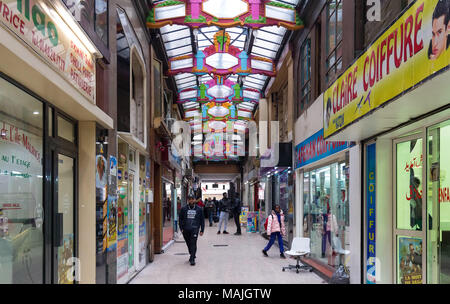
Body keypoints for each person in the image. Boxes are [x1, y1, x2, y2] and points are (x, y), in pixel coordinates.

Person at [179, 195, 205, 266]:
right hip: (186, 229)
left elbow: (202, 220)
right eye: (189, 199)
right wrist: (181, 228)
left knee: (193, 242)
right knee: (188, 243)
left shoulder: (199, 209)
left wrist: (202, 229)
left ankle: (192, 258)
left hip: (195, 228)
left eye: (192, 199)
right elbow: (180, 219)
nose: (191, 201)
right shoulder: (183, 209)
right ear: (187, 200)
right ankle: (192, 253)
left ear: (194, 200)